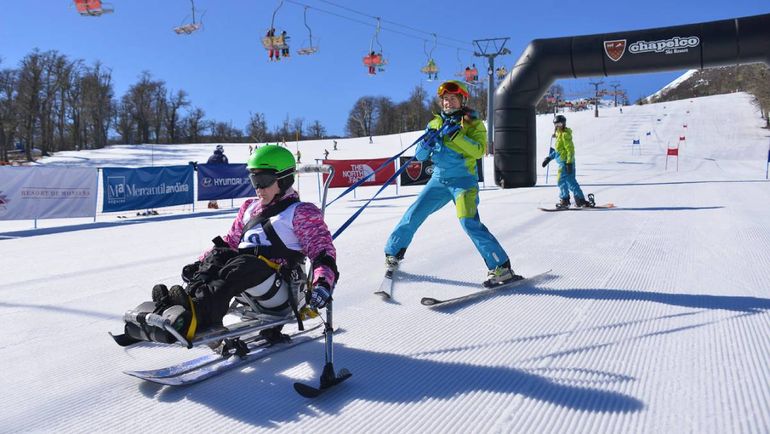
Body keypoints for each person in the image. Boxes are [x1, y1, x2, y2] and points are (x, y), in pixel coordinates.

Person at [143, 145, 338, 343]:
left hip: (282, 290)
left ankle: (200, 317)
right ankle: (179, 306)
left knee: (243, 264)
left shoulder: (301, 212)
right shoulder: (250, 208)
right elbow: (230, 242)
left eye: (263, 180)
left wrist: (322, 284)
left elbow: (322, 251)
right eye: (254, 180)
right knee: (221, 256)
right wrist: (200, 264)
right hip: (249, 286)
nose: (258, 188)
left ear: (284, 178)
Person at [383, 80, 519, 288]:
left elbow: (478, 150)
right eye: (445, 99)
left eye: (452, 99)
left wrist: (456, 136)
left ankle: (501, 267)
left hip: (463, 181)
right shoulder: (434, 124)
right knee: (414, 213)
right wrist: (425, 144)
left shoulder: (473, 122)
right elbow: (419, 157)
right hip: (439, 179)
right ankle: (393, 253)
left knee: (468, 222)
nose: (448, 103)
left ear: (462, 100)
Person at [541, 115, 590, 209]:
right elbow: (558, 151)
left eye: (560, 124)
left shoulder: (565, 135)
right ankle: (580, 200)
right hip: (567, 162)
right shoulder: (559, 135)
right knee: (571, 182)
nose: (558, 126)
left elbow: (570, 150)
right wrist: (549, 158)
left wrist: (568, 163)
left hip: (565, 163)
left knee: (561, 181)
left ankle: (565, 200)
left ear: (563, 124)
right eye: (556, 124)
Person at [206, 145, 228, 209]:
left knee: (213, 189)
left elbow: (206, 165)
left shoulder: (211, 157)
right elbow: (226, 166)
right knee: (217, 189)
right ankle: (213, 203)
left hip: (211, 176)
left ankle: (212, 203)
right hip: (219, 176)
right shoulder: (223, 157)